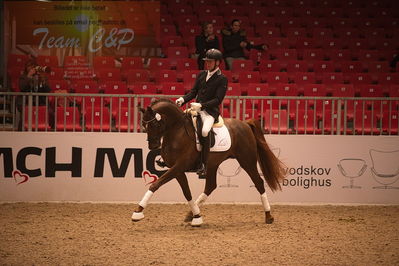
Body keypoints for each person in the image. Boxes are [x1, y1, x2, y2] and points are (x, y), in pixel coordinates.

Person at [175, 49, 228, 178]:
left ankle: (204, 164)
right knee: (179, 122)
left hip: (210, 112)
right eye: (207, 61)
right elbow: (193, 92)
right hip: (196, 109)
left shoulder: (222, 79)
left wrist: (202, 105)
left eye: (210, 62)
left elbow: (218, 100)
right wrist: (183, 99)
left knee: (204, 131)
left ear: (217, 63)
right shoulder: (202, 75)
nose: (207, 64)